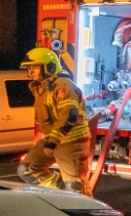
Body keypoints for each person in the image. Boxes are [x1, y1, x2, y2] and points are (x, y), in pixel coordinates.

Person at [17, 47, 93, 196]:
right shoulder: (43, 87)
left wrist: (53, 141)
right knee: (26, 169)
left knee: (75, 186)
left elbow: (69, 116)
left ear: (49, 67)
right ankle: (62, 190)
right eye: (29, 67)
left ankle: (88, 214)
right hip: (55, 140)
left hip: (72, 142)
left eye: (35, 67)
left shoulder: (63, 85)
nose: (31, 71)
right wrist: (51, 140)